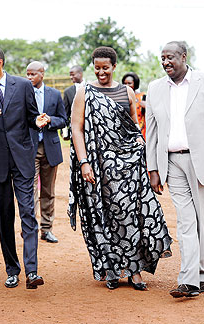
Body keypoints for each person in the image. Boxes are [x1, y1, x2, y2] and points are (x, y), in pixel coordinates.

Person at [69, 46, 172, 291]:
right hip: (98, 167)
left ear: (114, 67)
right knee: (106, 216)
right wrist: (84, 162)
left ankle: (135, 272)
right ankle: (112, 269)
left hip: (128, 166)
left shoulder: (126, 91)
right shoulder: (84, 92)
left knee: (131, 215)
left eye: (105, 68)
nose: (101, 72)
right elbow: (76, 128)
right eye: (97, 68)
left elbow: (134, 126)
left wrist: (141, 146)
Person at [146, 41, 204, 298]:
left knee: (202, 218)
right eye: (162, 58)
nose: (166, 62)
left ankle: (202, 274)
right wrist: (153, 168)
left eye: (170, 57)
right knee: (185, 220)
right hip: (171, 162)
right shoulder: (155, 88)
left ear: (184, 56)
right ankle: (190, 280)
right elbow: (153, 132)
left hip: (202, 161)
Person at [0, 47, 48, 289]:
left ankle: (32, 271)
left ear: (0, 63)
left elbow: (32, 117)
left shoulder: (23, 86)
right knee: (4, 218)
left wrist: (38, 121)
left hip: (23, 161)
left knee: (28, 215)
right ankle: (12, 269)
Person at [26, 61, 66, 243]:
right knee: (31, 190)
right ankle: (31, 229)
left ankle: (47, 229)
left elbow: (63, 120)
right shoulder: (23, 93)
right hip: (30, 149)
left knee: (48, 191)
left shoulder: (55, 94)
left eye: (33, 74)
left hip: (50, 147)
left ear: (42, 74)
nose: (29, 77)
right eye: (27, 74)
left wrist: (50, 120)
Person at [62, 65, 85, 140]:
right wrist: (64, 132)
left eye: (73, 74)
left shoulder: (91, 87)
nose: (71, 77)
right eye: (70, 75)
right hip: (75, 130)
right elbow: (66, 113)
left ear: (80, 74)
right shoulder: (68, 92)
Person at [122, 72, 146, 139]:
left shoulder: (142, 96)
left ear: (135, 83)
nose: (127, 85)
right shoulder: (121, 97)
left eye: (129, 83)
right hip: (126, 130)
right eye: (125, 83)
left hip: (141, 129)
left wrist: (147, 107)